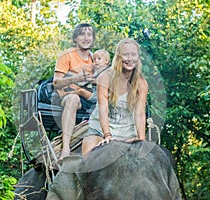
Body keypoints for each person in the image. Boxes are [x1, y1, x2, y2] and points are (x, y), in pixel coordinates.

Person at [82, 38, 148, 156]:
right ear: (118, 57)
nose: (130, 59)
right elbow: (103, 109)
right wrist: (107, 135)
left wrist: (141, 140)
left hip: (127, 133)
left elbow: (140, 113)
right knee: (88, 157)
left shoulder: (141, 83)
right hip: (100, 130)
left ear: (138, 57)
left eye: (133, 55)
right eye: (125, 55)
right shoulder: (105, 77)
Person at [52, 23, 96, 162]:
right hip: (67, 95)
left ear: (93, 39)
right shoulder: (67, 55)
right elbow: (56, 82)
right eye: (82, 34)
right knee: (72, 99)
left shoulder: (94, 58)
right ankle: (65, 149)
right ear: (75, 38)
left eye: (89, 35)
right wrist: (76, 78)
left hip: (87, 96)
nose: (86, 38)